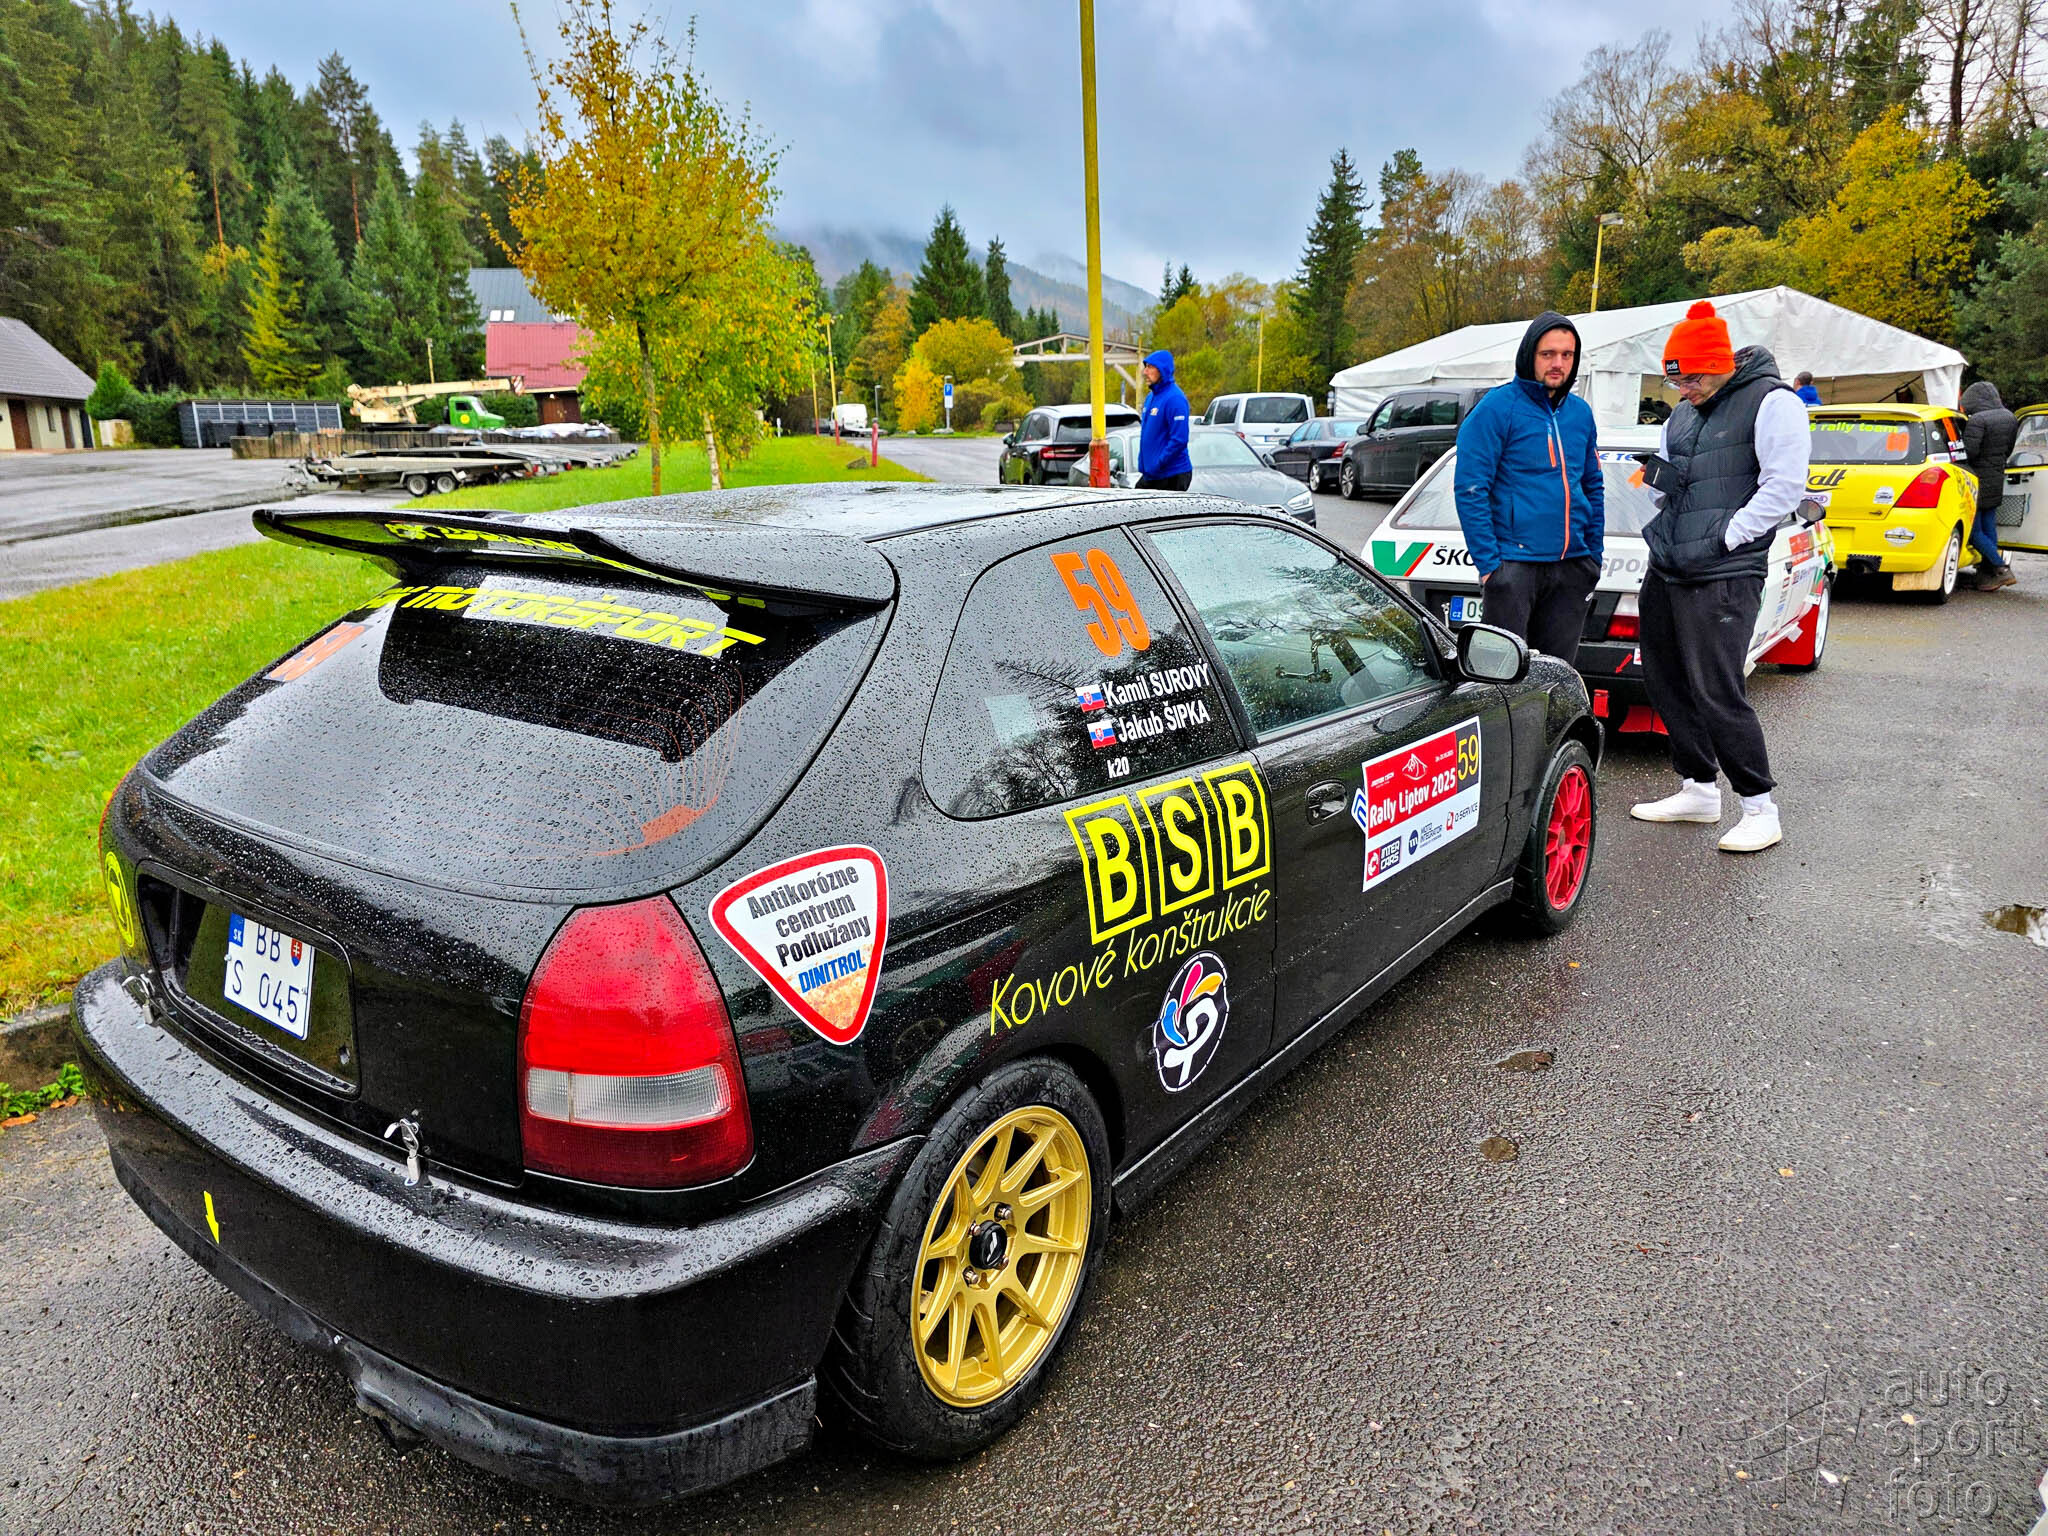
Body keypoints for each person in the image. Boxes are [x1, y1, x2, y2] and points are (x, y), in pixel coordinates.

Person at [1629, 301, 1808, 854]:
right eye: (1676, 380)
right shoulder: (1683, 412)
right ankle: (1698, 789)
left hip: (1726, 568)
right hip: (1669, 563)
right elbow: (1669, 479)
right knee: (1665, 678)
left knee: (1717, 688)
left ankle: (1760, 808)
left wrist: (1725, 537)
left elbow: (1783, 486)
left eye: (1693, 378)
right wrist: (1653, 490)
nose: (1684, 390)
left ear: (1719, 364)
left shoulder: (1773, 402)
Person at [1451, 311, 1605, 664]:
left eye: (1566, 355)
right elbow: (1471, 489)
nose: (1558, 363)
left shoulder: (1580, 413)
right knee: (1503, 675)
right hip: (1515, 566)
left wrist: (1592, 555)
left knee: (1557, 674)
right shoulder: (1496, 409)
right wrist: (1491, 567)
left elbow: (1593, 485)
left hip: (1572, 566)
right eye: (1547, 354)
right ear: (1529, 355)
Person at [1961, 380, 2020, 591]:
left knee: (1974, 531)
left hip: (1977, 479)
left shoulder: (1978, 420)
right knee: (1988, 525)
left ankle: (2001, 568)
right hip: (1996, 476)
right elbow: (2009, 449)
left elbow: (1970, 452)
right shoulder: (2010, 417)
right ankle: (1988, 574)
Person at [1136, 350, 1192, 490]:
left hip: (1172, 474)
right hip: (1152, 475)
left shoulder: (1175, 398)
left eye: (1150, 367)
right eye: (1145, 367)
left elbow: (1179, 440)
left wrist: (1158, 464)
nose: (1145, 372)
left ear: (1162, 370)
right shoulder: (1151, 397)